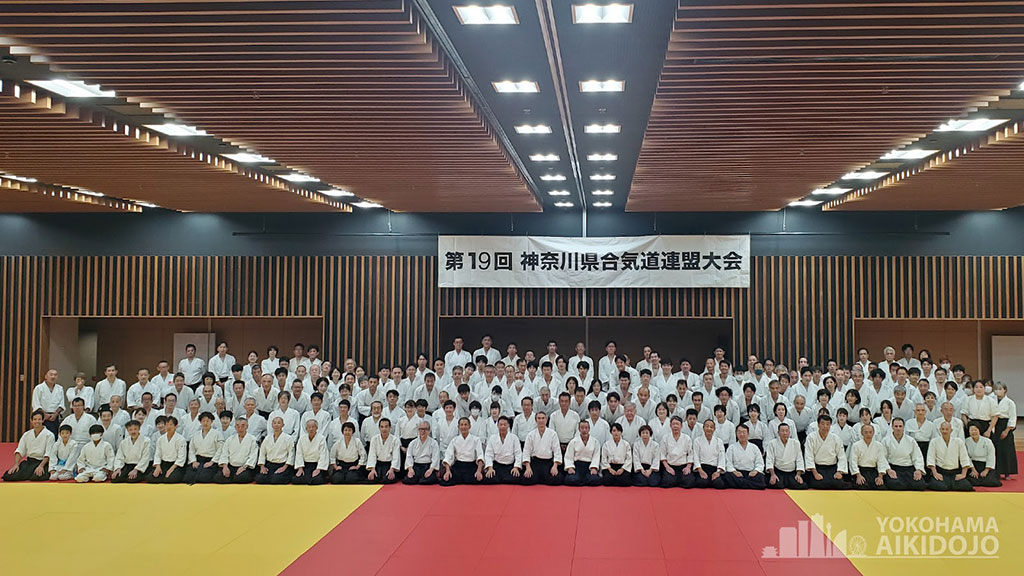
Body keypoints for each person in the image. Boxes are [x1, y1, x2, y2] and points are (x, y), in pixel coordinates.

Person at [4, 410, 54, 482]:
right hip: (29, 462)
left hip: (42, 462)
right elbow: (20, 450)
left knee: (37, 477)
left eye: (39, 419)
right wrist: (16, 464)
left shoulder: (49, 435)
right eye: (35, 419)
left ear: (43, 420)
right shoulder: (26, 434)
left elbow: (48, 453)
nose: (37, 421)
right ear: (31, 421)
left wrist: (41, 466)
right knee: (9, 476)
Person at [927, 421, 974, 491]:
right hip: (941, 471)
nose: (944, 431)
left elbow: (964, 458)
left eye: (946, 429)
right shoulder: (934, 441)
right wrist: (935, 473)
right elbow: (931, 458)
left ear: (951, 430)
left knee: (966, 486)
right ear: (940, 430)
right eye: (942, 429)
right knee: (940, 486)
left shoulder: (958, 442)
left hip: (954, 472)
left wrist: (963, 474)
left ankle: (951, 483)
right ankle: (949, 484)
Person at [881, 418, 927, 491]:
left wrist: (918, 470)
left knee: (920, 485)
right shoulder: (886, 440)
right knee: (894, 484)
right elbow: (882, 458)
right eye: (896, 426)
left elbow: (918, 457)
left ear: (903, 427)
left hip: (908, 468)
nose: (898, 429)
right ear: (892, 427)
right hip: (894, 468)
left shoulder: (911, 440)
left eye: (900, 426)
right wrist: (888, 470)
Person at [804, 415, 848, 489]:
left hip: (832, 468)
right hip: (818, 468)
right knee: (819, 484)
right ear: (818, 425)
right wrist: (815, 473)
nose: (825, 426)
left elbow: (842, 456)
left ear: (830, 425)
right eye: (822, 424)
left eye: (827, 424)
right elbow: (809, 456)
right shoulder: (811, 437)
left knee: (838, 484)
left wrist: (839, 472)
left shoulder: (836, 438)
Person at [522, 411, 563, 486]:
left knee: (558, 479)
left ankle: (540, 478)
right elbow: (526, 452)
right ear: (536, 420)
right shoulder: (531, 435)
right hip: (535, 462)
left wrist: (555, 466)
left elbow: (557, 451)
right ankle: (540, 478)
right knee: (526, 479)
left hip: (547, 463)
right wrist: (528, 467)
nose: (541, 420)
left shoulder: (552, 434)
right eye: (539, 418)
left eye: (543, 418)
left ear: (546, 420)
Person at [441, 417, 484, 486]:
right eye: (461, 425)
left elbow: (480, 455)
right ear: (458, 427)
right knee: (446, 480)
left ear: (469, 426)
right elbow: (449, 456)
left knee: (479, 480)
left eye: (465, 424)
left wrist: (479, 471)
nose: (463, 427)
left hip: (471, 466)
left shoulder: (476, 440)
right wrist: (447, 471)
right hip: (458, 466)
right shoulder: (455, 440)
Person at [216, 417, 259, 483]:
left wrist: (244, 467)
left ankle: (233, 478)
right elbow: (224, 454)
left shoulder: (253, 439)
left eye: (243, 426)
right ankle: (232, 477)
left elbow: (253, 456)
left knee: (241, 478)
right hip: (231, 466)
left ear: (247, 426)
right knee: (218, 477)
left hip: (245, 467)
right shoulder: (230, 439)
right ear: (235, 427)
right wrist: (225, 467)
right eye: (238, 426)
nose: (240, 428)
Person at [184, 412, 222, 484]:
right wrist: (193, 461)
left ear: (212, 421)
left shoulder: (217, 434)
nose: (205, 423)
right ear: (200, 422)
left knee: (203, 478)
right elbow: (191, 449)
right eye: (203, 421)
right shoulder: (196, 434)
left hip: (210, 460)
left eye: (207, 421)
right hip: (198, 460)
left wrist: (212, 462)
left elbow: (220, 449)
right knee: (188, 477)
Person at [724, 424, 765, 489]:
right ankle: (749, 484)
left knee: (761, 478)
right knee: (728, 476)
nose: (742, 434)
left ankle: (741, 484)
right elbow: (728, 463)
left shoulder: (754, 447)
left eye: (744, 432)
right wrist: (734, 471)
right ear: (736, 434)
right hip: (737, 473)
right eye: (739, 432)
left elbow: (760, 463)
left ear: (748, 434)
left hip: (751, 473)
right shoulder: (731, 447)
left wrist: (755, 471)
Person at [659, 416, 695, 488]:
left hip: (683, 466)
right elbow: (662, 454)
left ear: (681, 426)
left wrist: (688, 467)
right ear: (670, 426)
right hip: (670, 465)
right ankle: (675, 480)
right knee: (667, 482)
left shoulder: (686, 438)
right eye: (673, 424)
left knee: (689, 483)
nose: (675, 426)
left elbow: (690, 454)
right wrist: (667, 467)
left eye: (677, 424)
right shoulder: (665, 438)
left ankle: (677, 480)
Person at [148, 416, 186, 483]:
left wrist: (171, 469)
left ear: (176, 426)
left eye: (171, 424)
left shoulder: (181, 439)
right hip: (163, 463)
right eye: (167, 424)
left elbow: (181, 457)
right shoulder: (161, 439)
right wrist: (157, 466)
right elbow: (157, 454)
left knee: (170, 479)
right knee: (150, 478)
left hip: (175, 465)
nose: (168, 427)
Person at [563, 420, 602, 486]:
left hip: (589, 466)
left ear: (589, 429)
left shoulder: (595, 442)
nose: (584, 430)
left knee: (595, 480)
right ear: (579, 429)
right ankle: (583, 480)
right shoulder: (573, 441)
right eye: (582, 428)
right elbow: (568, 456)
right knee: (570, 480)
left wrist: (594, 468)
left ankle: (581, 480)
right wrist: (570, 467)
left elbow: (596, 456)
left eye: (586, 428)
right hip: (577, 466)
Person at [484, 416, 522, 484]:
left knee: (516, 477)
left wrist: (516, 467)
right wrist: (490, 468)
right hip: (497, 465)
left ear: (508, 425)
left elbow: (518, 454)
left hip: (510, 465)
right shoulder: (492, 438)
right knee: (488, 478)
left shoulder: (514, 438)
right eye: (501, 425)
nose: (502, 426)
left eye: (505, 424)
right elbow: (488, 454)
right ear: (497, 425)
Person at [849, 424, 888, 490]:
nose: (868, 434)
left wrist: (880, 477)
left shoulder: (879, 446)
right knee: (862, 486)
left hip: (873, 471)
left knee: (880, 487)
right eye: (866, 432)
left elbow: (881, 461)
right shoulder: (856, 445)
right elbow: (853, 461)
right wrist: (858, 475)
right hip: (861, 471)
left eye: (870, 432)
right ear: (862, 433)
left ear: (873, 433)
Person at [257, 416, 294, 485]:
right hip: (269, 465)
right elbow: (262, 453)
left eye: (279, 423)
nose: (276, 425)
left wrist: (284, 467)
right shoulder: (267, 438)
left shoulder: (288, 438)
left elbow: (291, 455)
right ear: (272, 425)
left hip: (282, 465)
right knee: (260, 479)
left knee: (276, 480)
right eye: (274, 423)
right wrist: (262, 466)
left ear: (283, 425)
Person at [992, 382, 1017, 479]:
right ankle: (996, 471)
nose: (998, 391)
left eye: (1000, 389)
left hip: (1005, 425)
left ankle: (1007, 472)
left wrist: (1007, 430)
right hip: (995, 425)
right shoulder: (992, 400)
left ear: (1005, 390)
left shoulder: (1010, 402)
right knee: (996, 449)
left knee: (1007, 450)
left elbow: (1012, 417)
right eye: (996, 389)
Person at [292, 420, 329, 485]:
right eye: (309, 427)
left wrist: (318, 469)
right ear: (306, 429)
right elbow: (299, 454)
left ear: (317, 428)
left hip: (317, 465)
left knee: (317, 479)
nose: (311, 429)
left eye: (313, 427)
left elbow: (323, 455)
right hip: (305, 465)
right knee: (296, 479)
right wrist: (300, 468)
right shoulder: (302, 439)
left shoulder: (321, 438)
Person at [965, 423, 1001, 488]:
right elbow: (966, 457)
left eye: (975, 430)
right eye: (971, 430)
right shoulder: (966, 441)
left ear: (979, 430)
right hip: (973, 465)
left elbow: (991, 456)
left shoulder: (987, 441)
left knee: (991, 481)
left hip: (985, 465)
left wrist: (986, 470)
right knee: (969, 480)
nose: (974, 432)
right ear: (969, 432)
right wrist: (973, 470)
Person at [693, 420, 726, 489]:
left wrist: (718, 472)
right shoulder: (697, 440)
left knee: (719, 484)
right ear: (703, 428)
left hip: (714, 468)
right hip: (702, 467)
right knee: (702, 483)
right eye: (707, 426)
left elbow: (721, 457)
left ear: (714, 429)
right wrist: (700, 470)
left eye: (711, 427)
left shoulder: (719, 441)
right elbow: (695, 456)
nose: (709, 428)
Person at [366, 419, 401, 484]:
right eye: (382, 427)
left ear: (390, 427)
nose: (384, 429)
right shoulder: (374, 439)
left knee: (387, 479)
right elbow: (372, 454)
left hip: (389, 464)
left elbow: (396, 456)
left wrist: (392, 469)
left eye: (386, 426)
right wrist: (372, 469)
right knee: (373, 479)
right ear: (379, 428)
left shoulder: (395, 440)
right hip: (378, 464)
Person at [601, 422, 632, 486]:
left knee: (625, 481)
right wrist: (610, 469)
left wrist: (622, 469)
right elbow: (604, 459)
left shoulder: (626, 444)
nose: (616, 433)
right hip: (610, 466)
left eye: (618, 431)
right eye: (614, 431)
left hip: (622, 466)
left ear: (621, 432)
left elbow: (629, 459)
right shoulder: (606, 444)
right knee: (607, 480)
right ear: (611, 432)